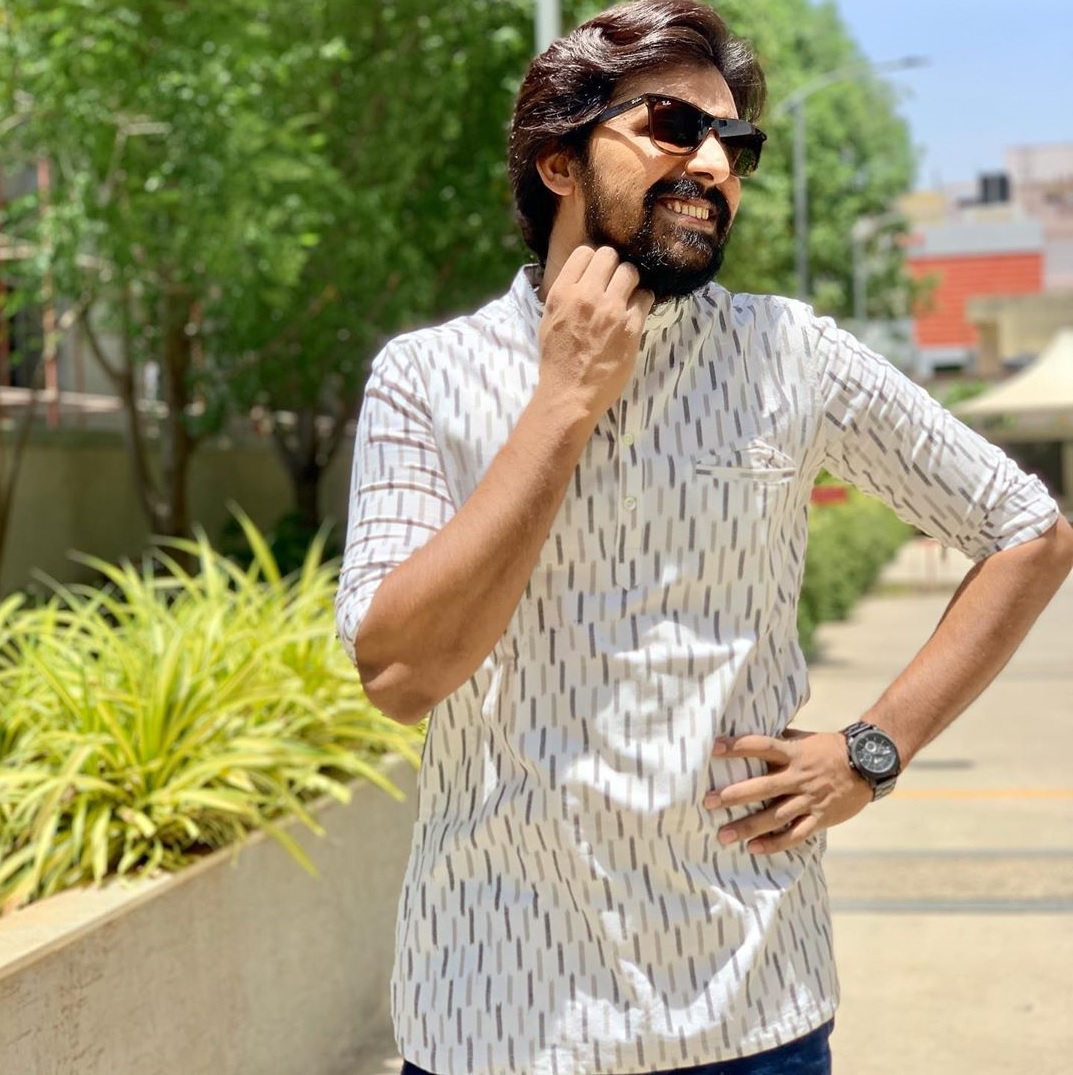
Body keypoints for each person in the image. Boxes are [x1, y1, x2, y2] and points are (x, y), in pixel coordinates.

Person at [335, 2, 1073, 1073]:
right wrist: (563, 401)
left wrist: (872, 751)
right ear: (558, 161)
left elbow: (1026, 531)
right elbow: (401, 675)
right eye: (673, 127)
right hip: (498, 1014)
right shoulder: (426, 377)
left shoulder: (789, 354)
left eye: (735, 143)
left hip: (752, 1010)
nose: (715, 165)